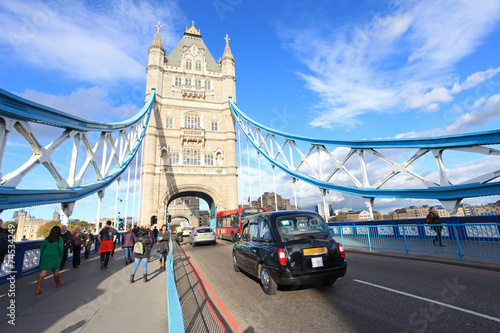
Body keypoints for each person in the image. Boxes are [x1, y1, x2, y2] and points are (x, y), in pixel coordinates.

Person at [36, 226, 64, 295]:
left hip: (46, 256)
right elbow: (60, 248)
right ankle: (58, 283)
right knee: (56, 270)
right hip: (55, 256)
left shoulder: (47, 239)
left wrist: (44, 254)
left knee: (43, 272)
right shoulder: (59, 239)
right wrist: (61, 255)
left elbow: (42, 248)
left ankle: (38, 289)